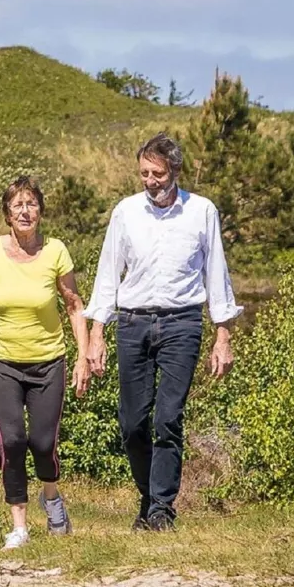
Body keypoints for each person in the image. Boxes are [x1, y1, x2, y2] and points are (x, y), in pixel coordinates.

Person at [84, 133, 240, 533]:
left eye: (157, 173)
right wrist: (96, 333)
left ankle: (161, 509)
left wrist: (222, 336)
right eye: (143, 174)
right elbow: (107, 273)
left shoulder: (202, 212)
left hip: (182, 324)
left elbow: (216, 274)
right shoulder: (126, 212)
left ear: (175, 171)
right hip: (133, 323)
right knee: (132, 422)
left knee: (168, 418)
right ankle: (147, 497)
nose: (150, 181)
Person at [0, 176, 91, 549]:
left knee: (43, 443)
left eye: (31, 204)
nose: (25, 211)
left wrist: (83, 356)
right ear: (7, 214)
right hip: (2, 362)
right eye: (18, 205)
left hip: (48, 361)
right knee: (11, 440)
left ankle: (52, 497)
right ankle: (20, 526)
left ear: (40, 211)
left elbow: (74, 306)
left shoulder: (56, 251)